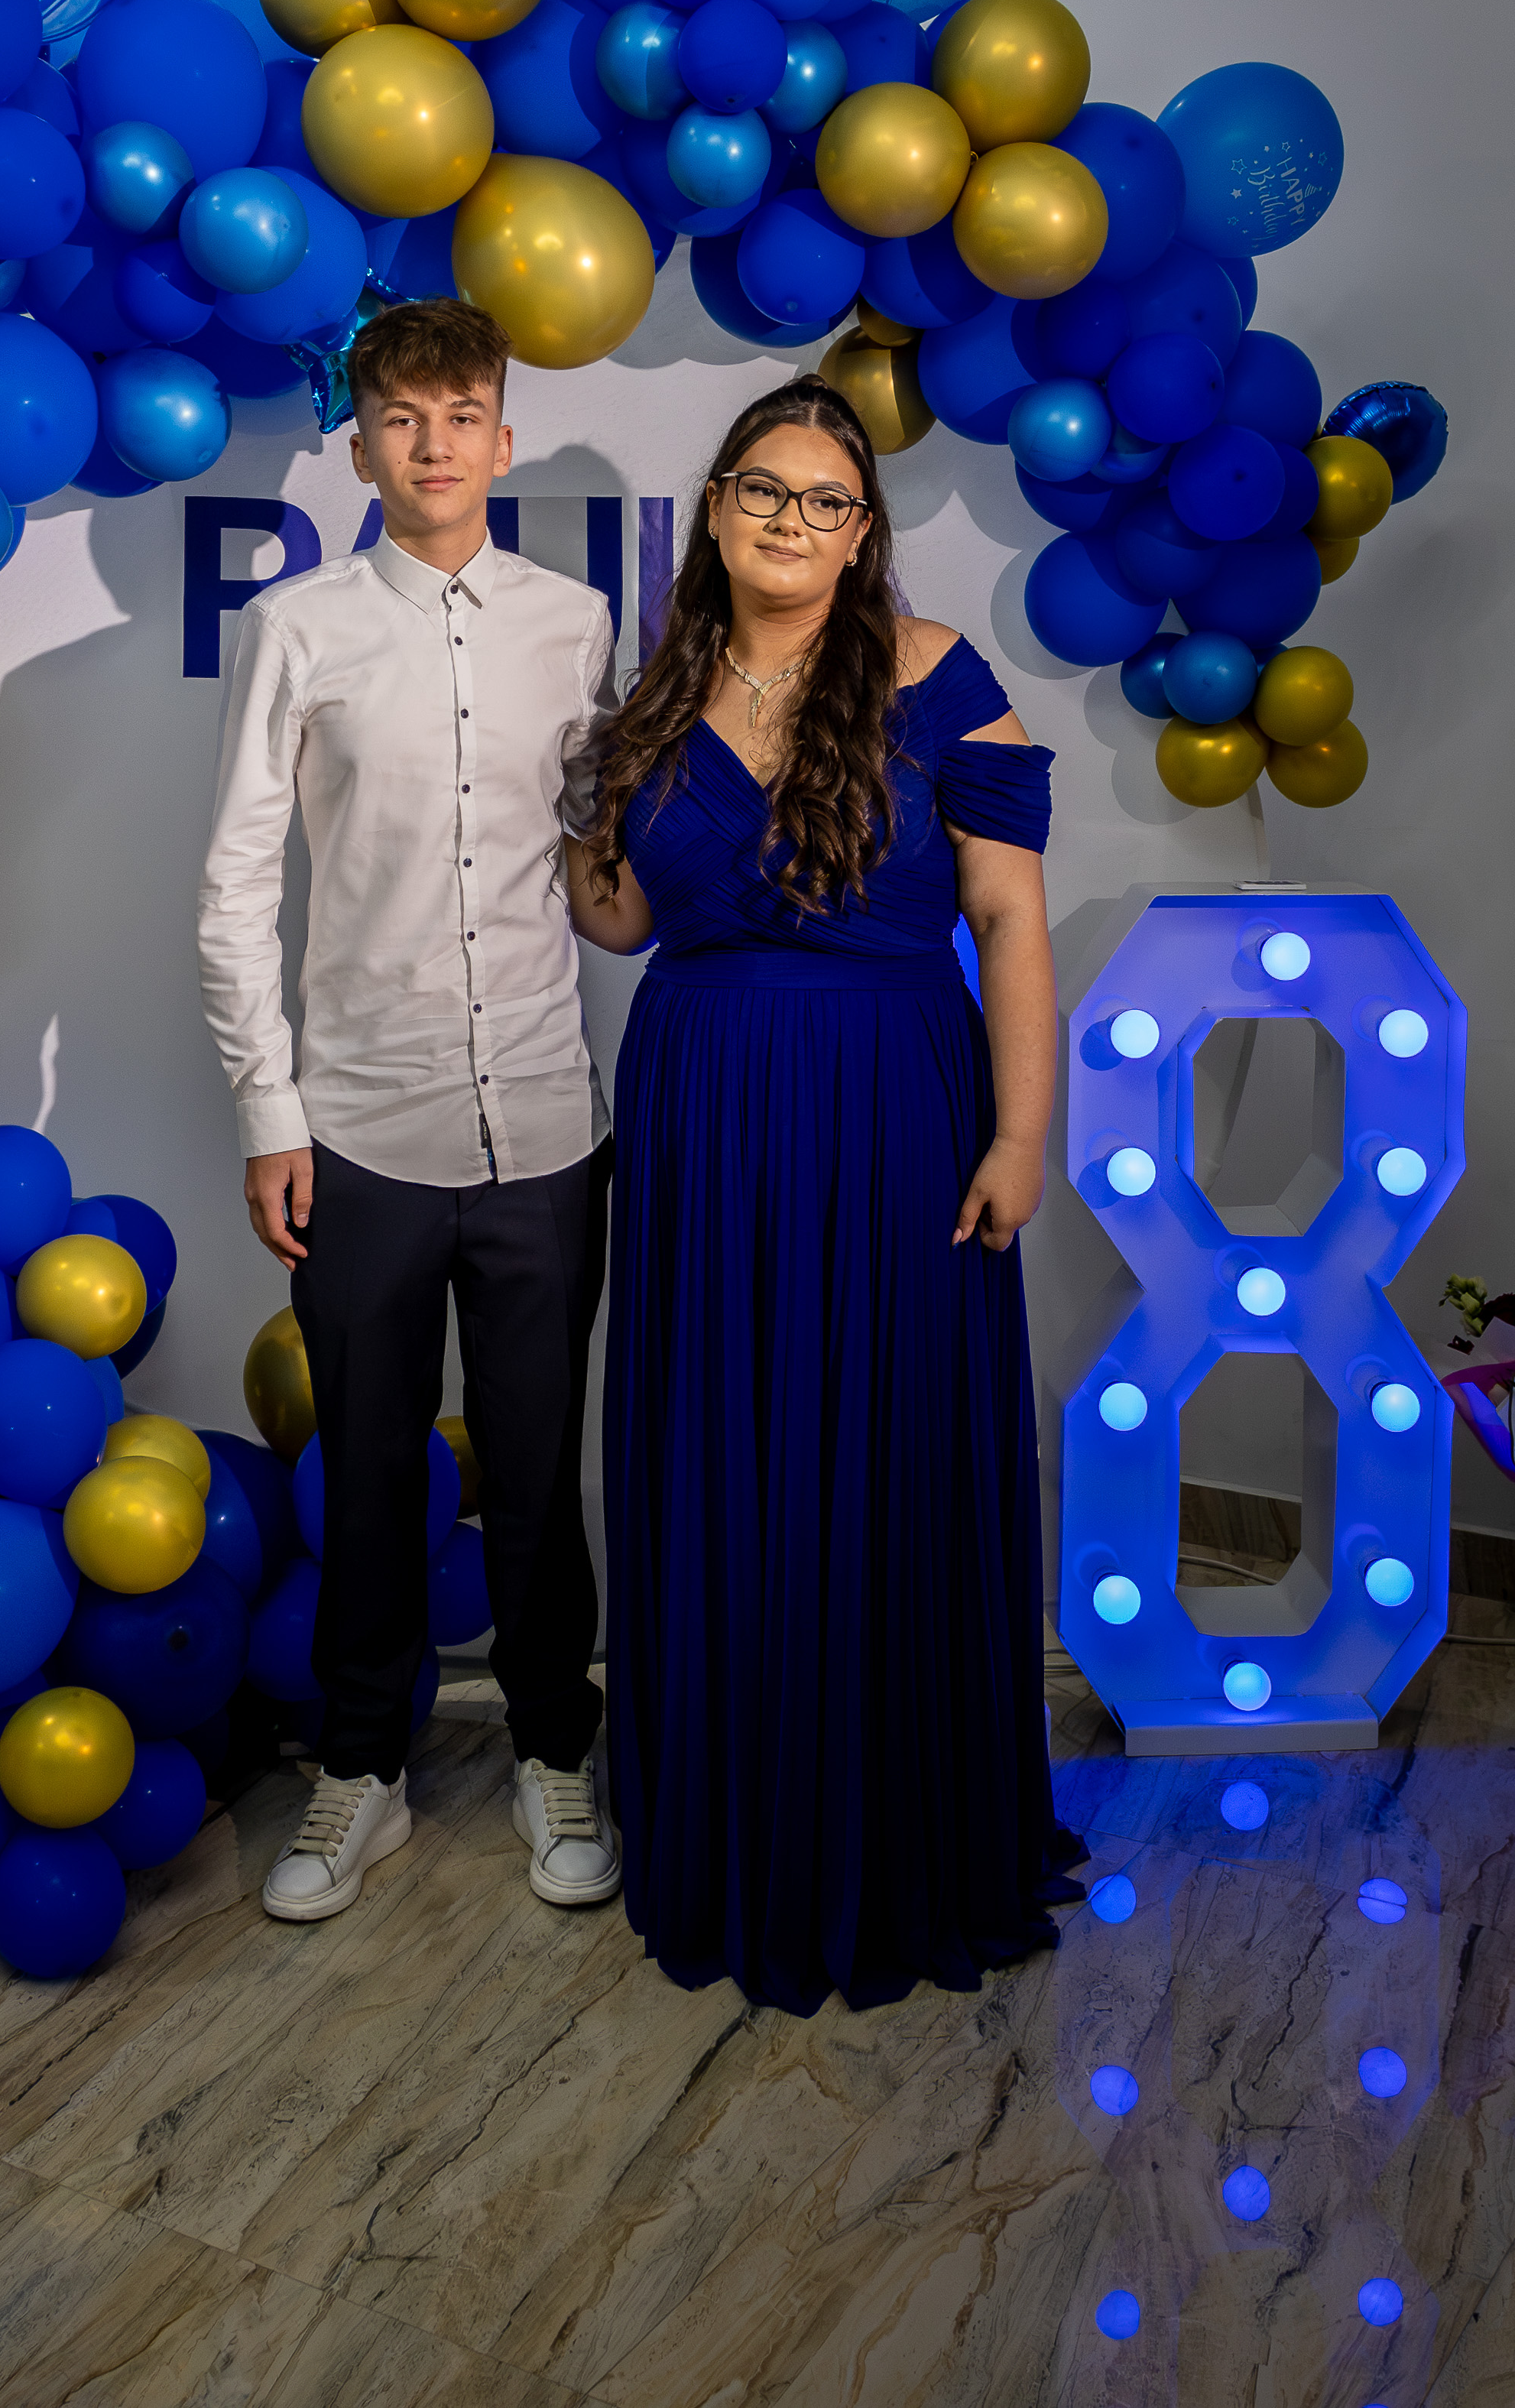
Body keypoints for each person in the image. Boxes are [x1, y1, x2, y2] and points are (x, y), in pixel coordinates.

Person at [566, 375, 1085, 2012]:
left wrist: (1021, 1135)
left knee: (888, 1445)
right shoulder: (659, 693)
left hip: (894, 1108)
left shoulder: (937, 676)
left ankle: (898, 1835)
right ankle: (740, 1825)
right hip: (706, 1109)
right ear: (716, 511)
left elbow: (1008, 920)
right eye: (764, 490)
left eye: (826, 500)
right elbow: (623, 920)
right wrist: (573, 805)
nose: (792, 519)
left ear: (863, 535)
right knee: (724, 1447)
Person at [197, 297, 623, 1924]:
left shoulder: (576, 624)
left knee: (538, 1467)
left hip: (547, 1123)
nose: (432, 443)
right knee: (368, 1471)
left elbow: (588, 854)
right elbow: (236, 882)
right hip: (359, 1128)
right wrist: (269, 1107)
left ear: (502, 440)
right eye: (400, 416)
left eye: (460, 415)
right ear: (362, 444)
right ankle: (361, 1768)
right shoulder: (295, 626)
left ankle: (553, 1745)